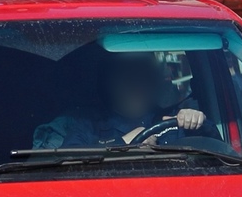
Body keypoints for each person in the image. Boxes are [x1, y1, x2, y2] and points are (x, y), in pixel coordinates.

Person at [54, 53, 208, 147]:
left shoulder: (174, 119)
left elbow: (220, 151)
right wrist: (122, 143)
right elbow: (68, 162)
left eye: (144, 78)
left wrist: (198, 123)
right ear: (108, 84)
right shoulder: (89, 126)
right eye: (128, 79)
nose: (137, 87)